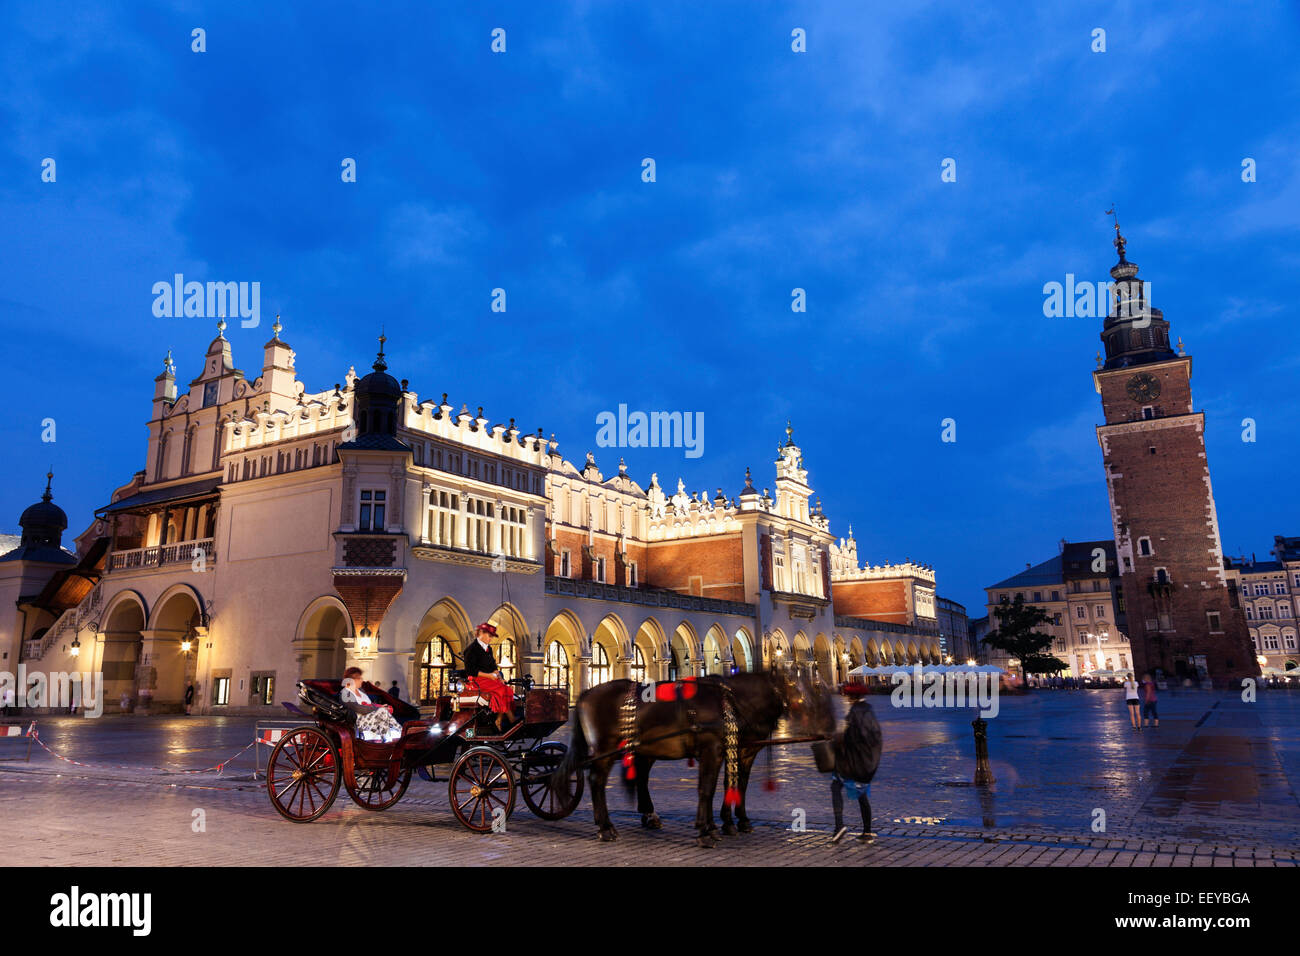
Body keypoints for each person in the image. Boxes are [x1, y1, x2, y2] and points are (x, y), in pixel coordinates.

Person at [829, 690, 883, 844]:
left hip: (855, 762)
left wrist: (837, 739)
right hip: (867, 763)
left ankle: (839, 826)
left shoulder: (856, 712)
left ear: (852, 697)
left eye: (848, 696)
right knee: (861, 794)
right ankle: (867, 832)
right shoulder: (868, 709)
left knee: (836, 786)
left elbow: (852, 738)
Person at [463, 623, 515, 732]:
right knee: (501, 690)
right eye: (489, 636)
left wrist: (500, 678)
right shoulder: (471, 649)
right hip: (477, 680)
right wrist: (489, 676)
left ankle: (499, 719)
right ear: (481, 633)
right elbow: (470, 671)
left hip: (489, 679)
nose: (491, 639)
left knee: (507, 689)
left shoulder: (489, 649)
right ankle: (511, 720)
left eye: (492, 636)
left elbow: (493, 666)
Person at [340, 667, 402, 742]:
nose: (362, 680)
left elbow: (368, 704)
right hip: (357, 721)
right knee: (383, 713)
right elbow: (357, 708)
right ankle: (392, 739)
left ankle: (394, 737)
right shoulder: (346, 693)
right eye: (359, 678)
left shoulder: (360, 690)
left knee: (384, 714)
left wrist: (380, 706)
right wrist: (378, 709)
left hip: (370, 718)